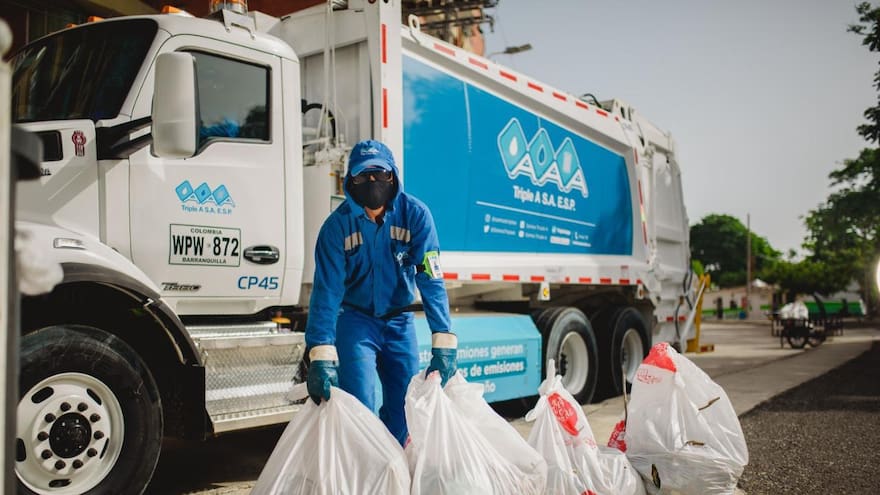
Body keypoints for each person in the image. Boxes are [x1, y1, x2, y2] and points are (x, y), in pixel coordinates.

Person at [304, 139, 456, 446]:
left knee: (404, 412)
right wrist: (319, 351)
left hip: (399, 324)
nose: (373, 183)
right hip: (356, 323)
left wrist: (443, 338)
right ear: (350, 181)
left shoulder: (415, 216)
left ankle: (394, 476)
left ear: (393, 177)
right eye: (363, 177)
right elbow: (327, 291)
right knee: (359, 405)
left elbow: (431, 277)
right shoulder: (336, 228)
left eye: (380, 175)